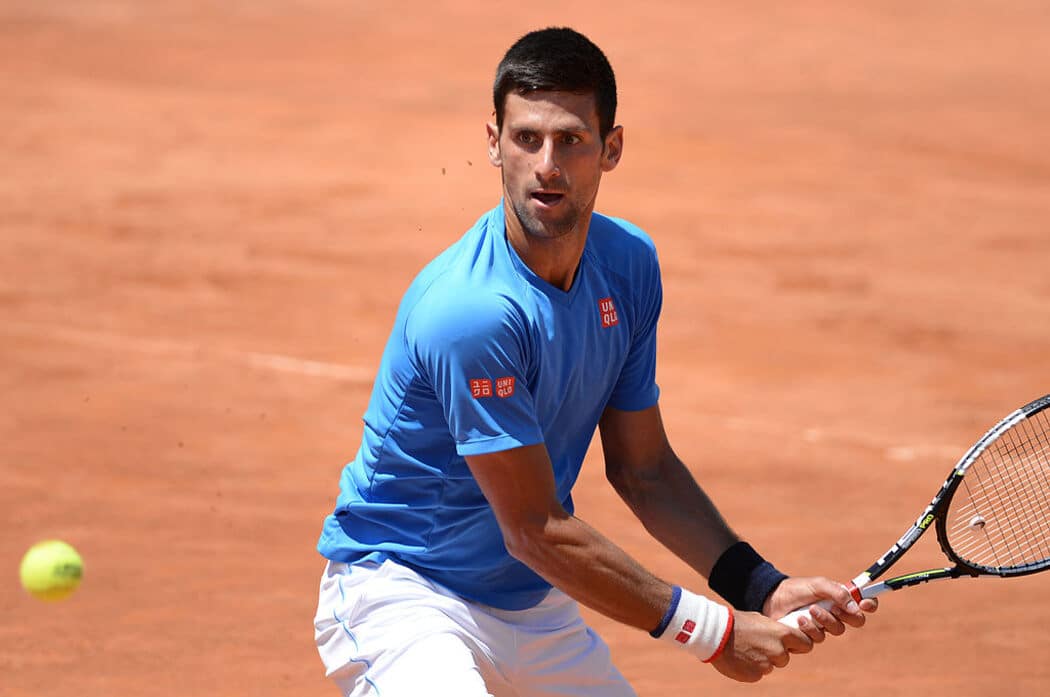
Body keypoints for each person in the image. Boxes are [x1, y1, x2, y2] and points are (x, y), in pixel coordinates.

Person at [313, 26, 876, 697]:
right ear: (493, 143)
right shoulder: (472, 309)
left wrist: (760, 585)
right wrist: (714, 631)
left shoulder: (628, 264)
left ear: (611, 149)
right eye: (526, 138)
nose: (546, 164)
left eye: (571, 140)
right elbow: (534, 527)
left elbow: (645, 469)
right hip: (404, 590)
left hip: (532, 602)